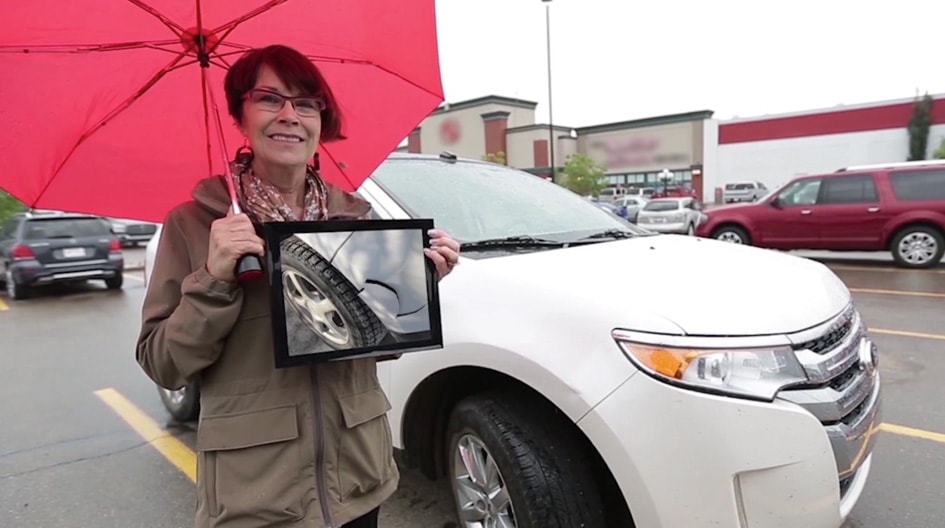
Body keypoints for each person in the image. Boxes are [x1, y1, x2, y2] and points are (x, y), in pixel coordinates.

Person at [136, 44, 460, 528]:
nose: (290, 115)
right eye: (269, 99)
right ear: (240, 115)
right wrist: (213, 277)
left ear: (320, 121)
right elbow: (164, 363)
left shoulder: (353, 219)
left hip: (358, 478)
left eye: (306, 103)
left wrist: (415, 286)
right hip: (258, 493)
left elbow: (371, 345)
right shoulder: (194, 225)